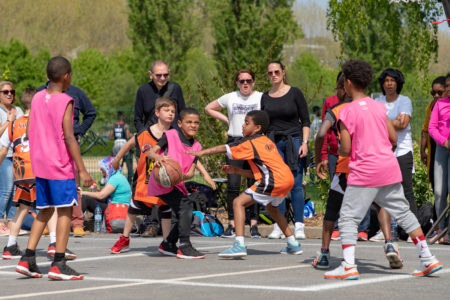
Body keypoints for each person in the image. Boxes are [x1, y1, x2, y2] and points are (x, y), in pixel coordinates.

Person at [324, 59, 442, 280]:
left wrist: (341, 146)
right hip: (388, 168)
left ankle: (348, 265)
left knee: (348, 218)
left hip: (364, 171)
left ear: (348, 83)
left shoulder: (346, 112)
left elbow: (347, 149)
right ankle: (427, 259)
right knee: (405, 213)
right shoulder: (379, 107)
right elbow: (393, 137)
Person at [313, 74, 402, 270]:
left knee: (332, 210)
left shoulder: (336, 110)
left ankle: (325, 254)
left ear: (345, 86)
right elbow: (391, 137)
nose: (337, 90)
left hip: (347, 167)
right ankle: (389, 243)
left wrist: (319, 159)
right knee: (380, 205)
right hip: (372, 165)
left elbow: (320, 134)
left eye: (338, 86)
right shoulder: (373, 107)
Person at [16, 56, 92, 280]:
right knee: (65, 211)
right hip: (59, 164)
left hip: (40, 164)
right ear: (67, 76)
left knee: (45, 209)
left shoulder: (38, 97)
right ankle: (59, 262)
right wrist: (83, 170)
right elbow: (69, 137)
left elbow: (29, 130)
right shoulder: (66, 100)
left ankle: (28, 258)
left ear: (48, 76)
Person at [186, 110, 302, 257]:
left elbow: (225, 148)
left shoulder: (250, 142)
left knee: (238, 202)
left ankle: (239, 244)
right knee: (272, 209)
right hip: (286, 178)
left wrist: (201, 153)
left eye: (247, 123)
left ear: (257, 128)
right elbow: (261, 173)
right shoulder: (267, 142)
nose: (243, 126)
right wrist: (236, 170)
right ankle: (293, 243)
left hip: (274, 179)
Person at [109, 97, 176, 254]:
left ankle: (166, 243)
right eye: (167, 110)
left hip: (165, 180)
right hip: (145, 179)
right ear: (157, 112)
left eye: (173, 111)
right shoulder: (145, 133)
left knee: (165, 209)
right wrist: (117, 159)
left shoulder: (174, 134)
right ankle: (125, 238)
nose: (171, 114)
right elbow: (128, 144)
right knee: (134, 209)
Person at [205, 69, 262, 239]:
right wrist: (226, 120)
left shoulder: (260, 97)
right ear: (237, 83)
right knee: (233, 184)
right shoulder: (230, 97)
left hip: (254, 142)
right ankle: (232, 224)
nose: (246, 83)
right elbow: (209, 108)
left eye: (249, 80)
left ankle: (253, 225)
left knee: (255, 182)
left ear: (253, 82)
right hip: (235, 141)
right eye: (242, 81)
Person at [37, 82, 97, 238]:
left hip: (68, 144)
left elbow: (91, 113)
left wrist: (80, 130)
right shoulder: (40, 94)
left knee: (72, 185)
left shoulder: (75, 93)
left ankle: (77, 222)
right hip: (46, 146)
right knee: (46, 185)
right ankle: (47, 222)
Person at [146, 108, 205, 259]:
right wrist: (157, 158)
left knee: (187, 215)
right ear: (179, 123)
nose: (193, 125)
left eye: (197, 123)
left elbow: (191, 172)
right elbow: (151, 152)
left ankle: (169, 244)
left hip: (176, 183)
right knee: (186, 205)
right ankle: (184, 246)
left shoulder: (197, 146)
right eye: (189, 122)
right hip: (162, 182)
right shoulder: (171, 135)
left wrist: (181, 176)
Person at [261, 61, 310, 240]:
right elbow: (263, 125)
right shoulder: (264, 97)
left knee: (296, 184)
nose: (273, 75)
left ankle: (299, 226)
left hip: (294, 141)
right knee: (277, 186)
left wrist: (304, 143)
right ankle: (278, 226)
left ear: (283, 72)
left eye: (276, 71)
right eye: (270, 73)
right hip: (273, 144)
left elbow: (305, 120)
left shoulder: (295, 93)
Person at [376, 69, 418, 219]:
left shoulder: (404, 101)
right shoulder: (378, 102)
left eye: (392, 81)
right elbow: (372, 124)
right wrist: (393, 122)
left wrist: (382, 122)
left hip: (402, 151)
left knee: (406, 191)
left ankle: (413, 230)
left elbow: (403, 124)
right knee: (382, 191)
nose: (389, 84)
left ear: (398, 83)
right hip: (382, 152)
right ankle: (384, 230)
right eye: (386, 81)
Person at [1, 88, 36, 259]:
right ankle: (55, 244)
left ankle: (10, 245)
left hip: (21, 172)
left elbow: (3, 149)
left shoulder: (14, 124)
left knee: (21, 209)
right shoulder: (39, 122)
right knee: (50, 208)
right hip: (37, 170)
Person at [428, 72, 450, 244]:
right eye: (447, 86)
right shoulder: (440, 104)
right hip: (442, 149)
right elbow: (431, 128)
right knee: (439, 191)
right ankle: (441, 229)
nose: (447, 89)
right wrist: (443, 141)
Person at [134, 60, 185, 132]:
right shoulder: (143, 91)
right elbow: (137, 119)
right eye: (158, 75)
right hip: (151, 137)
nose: (162, 78)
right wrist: (144, 135)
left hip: (173, 135)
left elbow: (183, 114)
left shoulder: (175, 88)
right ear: (150, 75)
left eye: (166, 75)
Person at [0, 81, 24, 236]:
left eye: (12, 92)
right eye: (5, 92)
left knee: (16, 190)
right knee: (6, 189)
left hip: (18, 156)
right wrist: (9, 121)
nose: (9, 94)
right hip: (3, 155)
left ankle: (11, 223)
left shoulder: (19, 110)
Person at [80, 157, 131, 224]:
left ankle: (76, 222)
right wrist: (97, 189)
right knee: (90, 197)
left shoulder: (115, 178)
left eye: (103, 167)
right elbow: (108, 193)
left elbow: (101, 196)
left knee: (86, 198)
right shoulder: (118, 176)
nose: (100, 169)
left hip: (116, 209)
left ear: (108, 167)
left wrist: (83, 192)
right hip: (119, 207)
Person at [421, 76, 446, 191]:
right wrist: (422, 151)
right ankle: (438, 209)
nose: (436, 96)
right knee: (437, 187)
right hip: (434, 150)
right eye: (433, 92)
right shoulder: (431, 106)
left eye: (439, 93)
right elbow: (425, 130)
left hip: (446, 147)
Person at [109, 111, 133, 183]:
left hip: (116, 143)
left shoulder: (114, 125)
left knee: (114, 161)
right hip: (123, 143)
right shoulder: (126, 125)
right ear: (123, 117)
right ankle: (129, 180)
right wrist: (134, 135)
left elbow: (110, 137)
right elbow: (128, 136)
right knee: (129, 162)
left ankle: (113, 179)